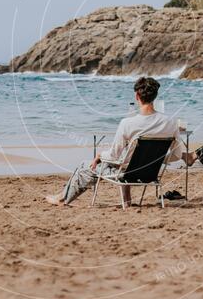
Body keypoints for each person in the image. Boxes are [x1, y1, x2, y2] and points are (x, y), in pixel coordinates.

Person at [46, 76, 188, 206]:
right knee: (126, 157)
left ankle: (62, 199)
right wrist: (154, 159)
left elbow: (114, 155)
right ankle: (127, 200)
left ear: (137, 96)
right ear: (155, 96)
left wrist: (99, 156)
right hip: (151, 174)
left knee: (86, 165)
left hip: (126, 175)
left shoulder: (128, 123)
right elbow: (176, 156)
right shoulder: (171, 122)